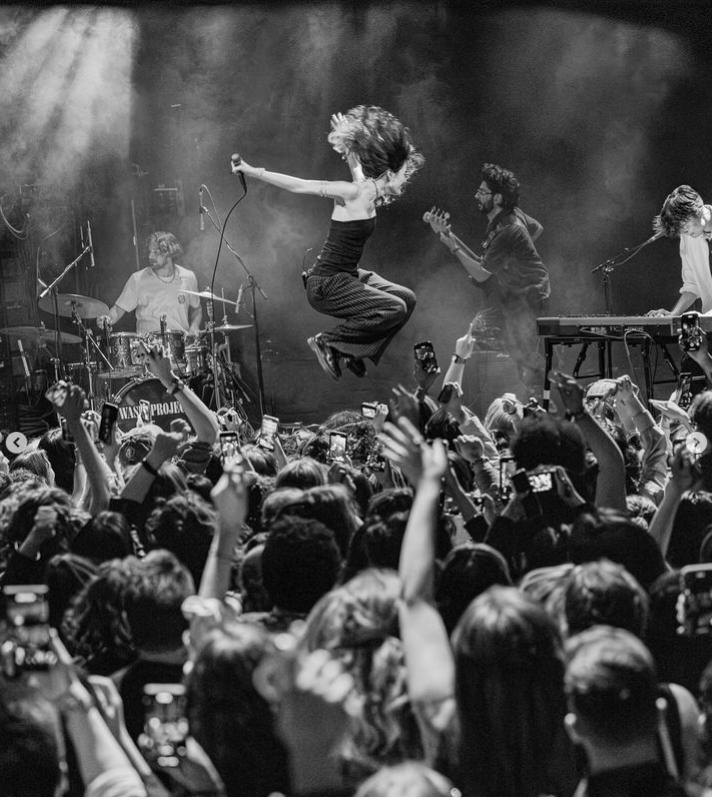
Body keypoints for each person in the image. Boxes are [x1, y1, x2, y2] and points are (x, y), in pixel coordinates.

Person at [230, 105, 424, 381]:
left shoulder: (367, 188)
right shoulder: (353, 192)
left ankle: (355, 352)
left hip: (348, 276)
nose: (407, 180)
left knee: (407, 299)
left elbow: (356, 164)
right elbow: (300, 185)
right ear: (390, 174)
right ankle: (328, 342)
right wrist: (252, 171)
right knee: (395, 308)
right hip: (326, 285)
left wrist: (349, 142)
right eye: (405, 174)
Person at [435, 162, 550, 393]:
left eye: (482, 192)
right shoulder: (512, 215)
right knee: (485, 331)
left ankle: (541, 388)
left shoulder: (508, 230)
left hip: (527, 297)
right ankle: (528, 375)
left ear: (497, 198)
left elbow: (480, 274)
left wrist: (453, 248)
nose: (476, 195)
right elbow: (537, 229)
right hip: (515, 294)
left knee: (520, 355)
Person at [96, 231, 202, 334]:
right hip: (148, 347)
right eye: (150, 252)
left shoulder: (188, 277)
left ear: (169, 252)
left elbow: (196, 309)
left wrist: (194, 326)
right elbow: (118, 310)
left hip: (180, 346)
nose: (150, 256)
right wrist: (107, 319)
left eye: (156, 252)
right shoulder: (137, 279)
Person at [649, 185, 712, 316]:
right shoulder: (689, 237)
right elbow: (692, 284)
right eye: (681, 229)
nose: (685, 232)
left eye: (685, 225)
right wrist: (673, 314)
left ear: (696, 210)